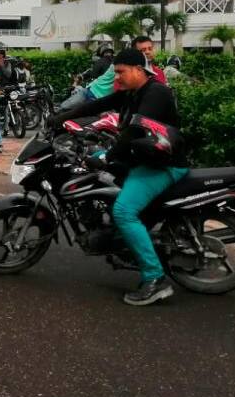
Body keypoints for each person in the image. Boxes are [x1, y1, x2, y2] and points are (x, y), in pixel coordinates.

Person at [50, 47, 189, 307]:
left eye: (121, 72)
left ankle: (155, 279)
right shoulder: (132, 93)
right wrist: (61, 118)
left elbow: (135, 129)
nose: (117, 77)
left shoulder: (156, 92)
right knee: (94, 174)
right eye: (116, 72)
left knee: (124, 211)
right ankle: (119, 238)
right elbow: (98, 104)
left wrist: (107, 156)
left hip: (162, 166)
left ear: (139, 70)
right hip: (142, 159)